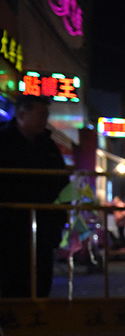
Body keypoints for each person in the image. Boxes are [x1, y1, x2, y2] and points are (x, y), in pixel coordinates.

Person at [0, 96, 68, 298]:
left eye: (46, 115)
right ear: (22, 114)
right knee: (10, 284)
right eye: (41, 115)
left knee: (40, 283)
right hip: (8, 227)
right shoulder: (4, 142)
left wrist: (58, 221)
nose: (44, 120)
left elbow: (62, 185)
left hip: (43, 227)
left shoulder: (49, 147)